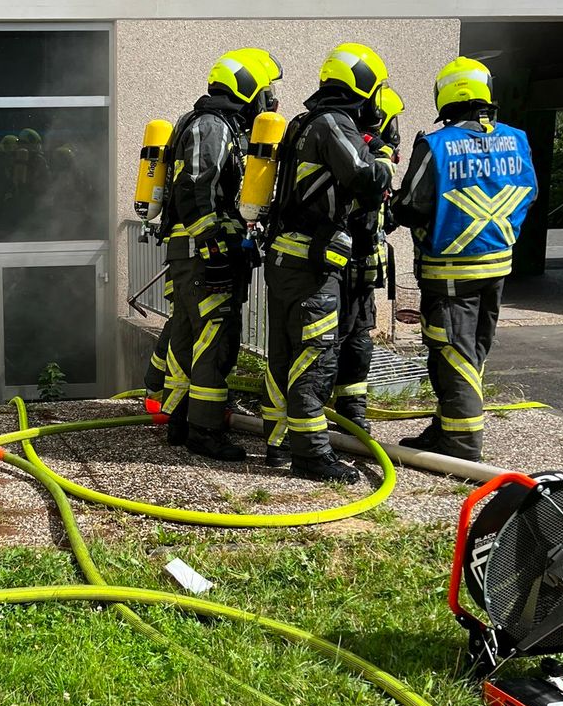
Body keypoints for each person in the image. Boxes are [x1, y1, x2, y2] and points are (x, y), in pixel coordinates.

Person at [260, 42, 396, 483]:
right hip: (311, 268)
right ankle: (313, 455)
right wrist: (385, 157)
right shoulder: (334, 124)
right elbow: (366, 177)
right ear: (365, 89)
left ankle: (279, 442)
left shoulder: (302, 123)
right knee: (314, 358)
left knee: (282, 354)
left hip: (285, 259)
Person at [391, 56, 537, 461]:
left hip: (449, 271)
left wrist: (390, 206)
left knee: (452, 353)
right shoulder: (516, 139)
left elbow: (412, 206)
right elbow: (530, 193)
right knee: (472, 351)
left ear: (447, 96)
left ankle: (461, 447)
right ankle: (445, 429)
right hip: (497, 265)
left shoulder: (436, 145)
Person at [143, 50, 278, 460]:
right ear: (248, 88)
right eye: (265, 91)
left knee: (188, 336)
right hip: (203, 254)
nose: (269, 101)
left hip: (191, 254)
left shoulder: (207, 123)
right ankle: (205, 430)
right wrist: (213, 245)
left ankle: (182, 421)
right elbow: (197, 187)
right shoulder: (212, 126)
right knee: (215, 339)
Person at [333, 84, 405, 432]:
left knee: (353, 339)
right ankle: (338, 414)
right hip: (350, 265)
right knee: (345, 338)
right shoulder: (366, 154)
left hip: (354, 267)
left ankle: (348, 412)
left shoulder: (360, 151)